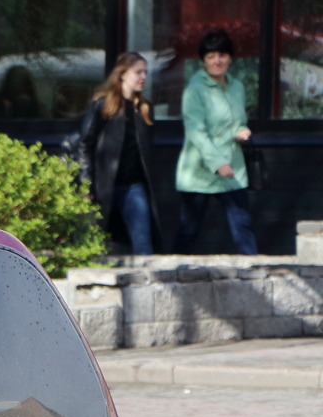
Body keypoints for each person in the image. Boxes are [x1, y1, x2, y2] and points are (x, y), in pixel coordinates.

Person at [173, 28, 256, 254]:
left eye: (222, 55)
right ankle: (172, 278)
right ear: (203, 61)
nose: (217, 61)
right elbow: (196, 131)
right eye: (211, 57)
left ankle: (255, 277)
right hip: (200, 170)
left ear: (230, 58)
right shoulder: (194, 90)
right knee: (189, 230)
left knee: (243, 228)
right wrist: (217, 163)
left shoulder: (237, 87)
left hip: (233, 168)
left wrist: (241, 130)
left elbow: (236, 121)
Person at [69, 52, 161, 255]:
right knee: (93, 241)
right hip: (103, 185)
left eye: (145, 72)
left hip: (133, 185)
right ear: (122, 74)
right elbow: (85, 144)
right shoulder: (102, 105)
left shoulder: (144, 108)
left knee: (143, 242)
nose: (143, 77)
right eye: (138, 72)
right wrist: (86, 183)